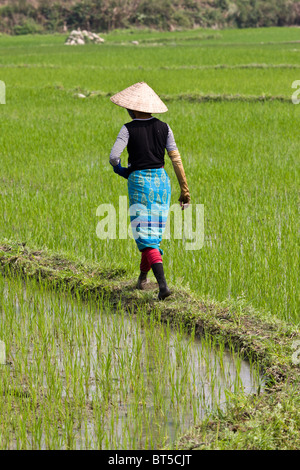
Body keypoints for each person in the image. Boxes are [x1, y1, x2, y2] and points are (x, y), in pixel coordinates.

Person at [109, 82, 190, 300]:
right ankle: (142, 280)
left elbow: (114, 156)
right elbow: (176, 159)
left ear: (132, 108)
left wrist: (122, 171)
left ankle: (163, 288)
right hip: (161, 183)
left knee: (146, 237)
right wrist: (185, 191)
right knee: (151, 235)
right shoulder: (165, 127)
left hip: (140, 184)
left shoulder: (127, 128)